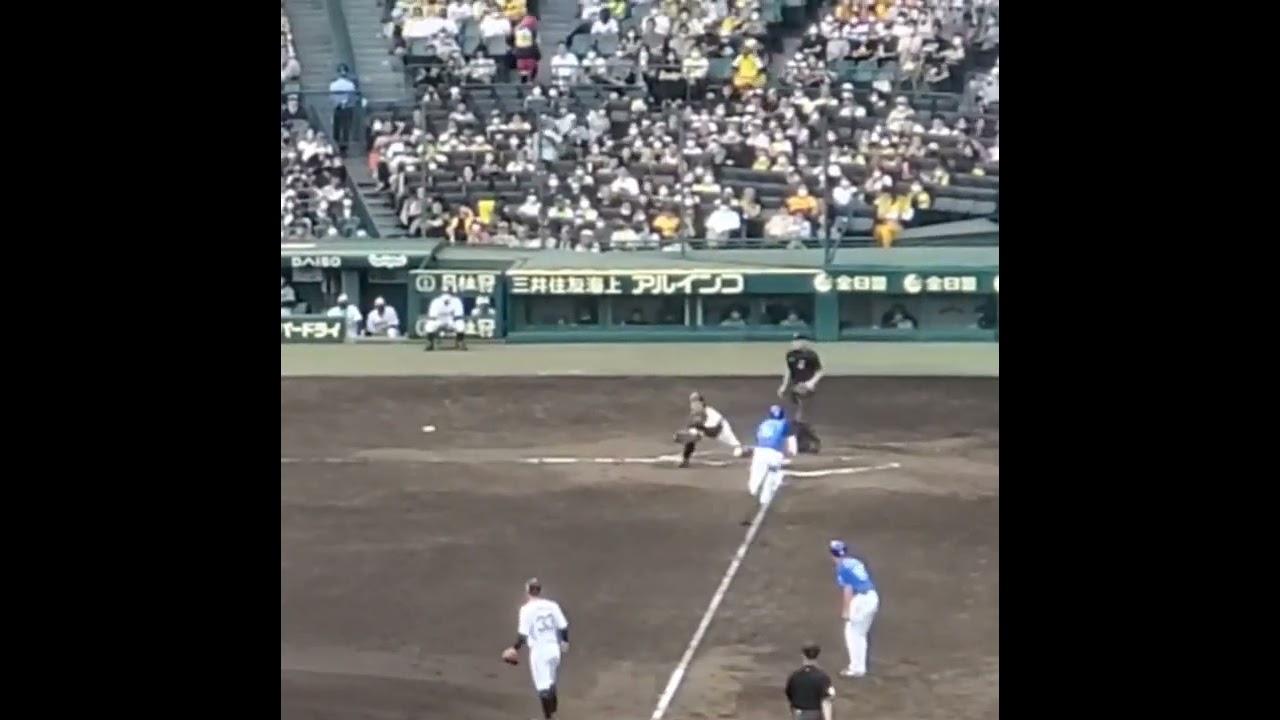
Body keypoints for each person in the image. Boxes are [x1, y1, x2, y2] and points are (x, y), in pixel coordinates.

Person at [502, 578, 569, 720]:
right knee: (550, 682)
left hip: (539, 652)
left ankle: (549, 718)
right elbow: (563, 626)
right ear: (540, 591)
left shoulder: (526, 609)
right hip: (554, 649)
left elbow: (523, 634)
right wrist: (565, 641)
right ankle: (553, 711)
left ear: (527, 592)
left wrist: (515, 648)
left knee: (543, 687)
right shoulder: (552, 605)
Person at [830, 539, 879, 678]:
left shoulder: (842, 569)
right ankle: (859, 666)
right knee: (860, 634)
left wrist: (846, 611)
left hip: (861, 601)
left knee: (852, 634)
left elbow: (848, 590)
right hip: (873, 597)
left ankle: (856, 668)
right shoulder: (854, 562)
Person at [743, 405, 798, 525]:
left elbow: (759, 440)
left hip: (760, 453)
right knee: (770, 479)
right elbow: (791, 447)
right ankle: (764, 503)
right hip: (774, 455)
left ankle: (752, 496)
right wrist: (789, 453)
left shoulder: (763, 424)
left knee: (755, 478)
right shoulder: (784, 424)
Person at [777, 334, 825, 453]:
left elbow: (820, 371)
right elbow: (788, 371)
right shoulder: (790, 355)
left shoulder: (811, 355)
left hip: (806, 388)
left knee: (800, 416)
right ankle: (803, 443)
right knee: (795, 415)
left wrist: (810, 383)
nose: (794, 343)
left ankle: (813, 442)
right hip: (794, 387)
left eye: (797, 341)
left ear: (803, 342)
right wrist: (784, 386)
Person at [672, 391, 745, 468]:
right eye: (692, 403)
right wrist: (692, 436)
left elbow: (714, 431)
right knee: (691, 439)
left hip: (722, 432)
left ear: (702, 403)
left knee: (738, 451)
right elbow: (693, 434)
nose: (694, 405)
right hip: (707, 431)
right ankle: (685, 460)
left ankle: (748, 451)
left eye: (696, 403)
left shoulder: (710, 413)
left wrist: (700, 429)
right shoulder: (693, 416)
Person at [784, 642, 835, 720]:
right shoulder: (823, 677)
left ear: (803, 656)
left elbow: (789, 694)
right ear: (817, 656)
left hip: (798, 714)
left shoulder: (795, 676)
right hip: (815, 715)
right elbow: (827, 699)